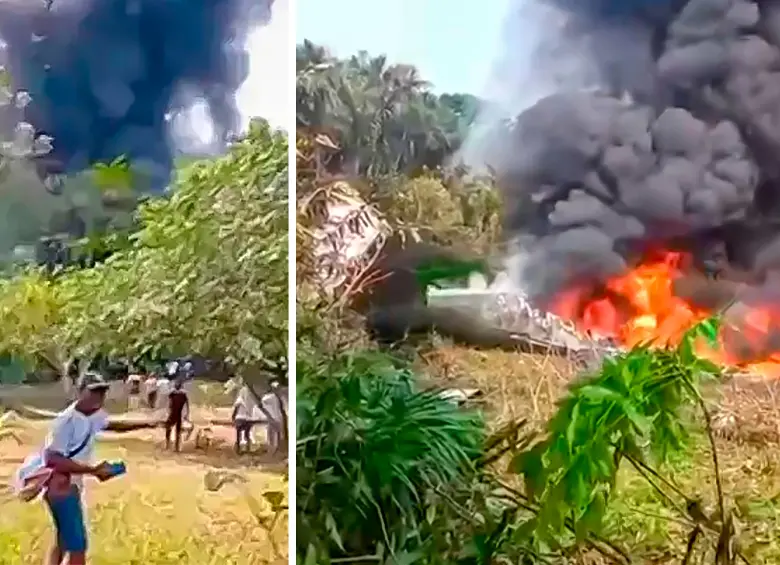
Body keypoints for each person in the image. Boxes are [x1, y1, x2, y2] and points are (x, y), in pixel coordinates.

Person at [15, 372, 118, 565]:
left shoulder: (93, 416)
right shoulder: (66, 421)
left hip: (71, 486)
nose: (99, 396)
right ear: (80, 392)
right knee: (77, 546)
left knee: (63, 539)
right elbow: (53, 458)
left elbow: (112, 424)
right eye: (94, 391)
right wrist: (93, 470)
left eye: (102, 391)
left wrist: (150, 422)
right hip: (61, 488)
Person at [165, 379, 189, 452]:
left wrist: (187, 413)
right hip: (177, 414)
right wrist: (187, 413)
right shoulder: (182, 394)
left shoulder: (174, 394)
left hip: (175, 413)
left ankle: (170, 445)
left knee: (171, 428)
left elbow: (169, 402)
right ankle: (174, 446)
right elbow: (186, 405)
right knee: (176, 430)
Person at [231, 384, 256, 454]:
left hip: (240, 418)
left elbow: (236, 409)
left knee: (238, 434)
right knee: (247, 434)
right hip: (249, 419)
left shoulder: (239, 399)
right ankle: (248, 448)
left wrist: (233, 417)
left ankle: (238, 449)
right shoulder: (251, 400)